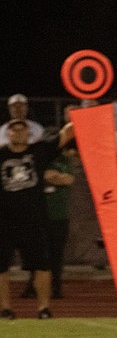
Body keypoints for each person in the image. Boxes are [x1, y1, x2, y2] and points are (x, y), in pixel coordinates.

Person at [0, 119, 74, 319]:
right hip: (5, 222)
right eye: (13, 130)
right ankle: (5, 309)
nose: (18, 134)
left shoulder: (38, 151)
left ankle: (43, 308)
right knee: (2, 267)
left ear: (29, 134)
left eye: (22, 130)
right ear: (7, 134)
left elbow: (66, 134)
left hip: (34, 220)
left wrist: (83, 109)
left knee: (42, 266)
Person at [19, 142, 77, 299]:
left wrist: (50, 177)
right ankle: (33, 285)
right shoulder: (37, 159)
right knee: (35, 254)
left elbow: (68, 179)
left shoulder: (64, 161)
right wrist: (51, 177)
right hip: (38, 215)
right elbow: (37, 177)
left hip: (59, 215)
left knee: (56, 254)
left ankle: (56, 286)